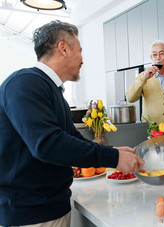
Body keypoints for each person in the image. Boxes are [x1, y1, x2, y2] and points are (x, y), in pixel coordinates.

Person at [0, 20, 144, 226]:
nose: (82, 59)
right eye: (80, 51)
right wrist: (113, 157)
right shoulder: (25, 83)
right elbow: (48, 144)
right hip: (30, 214)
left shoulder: (51, 89)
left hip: (50, 208)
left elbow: (70, 137)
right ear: (63, 48)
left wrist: (114, 152)